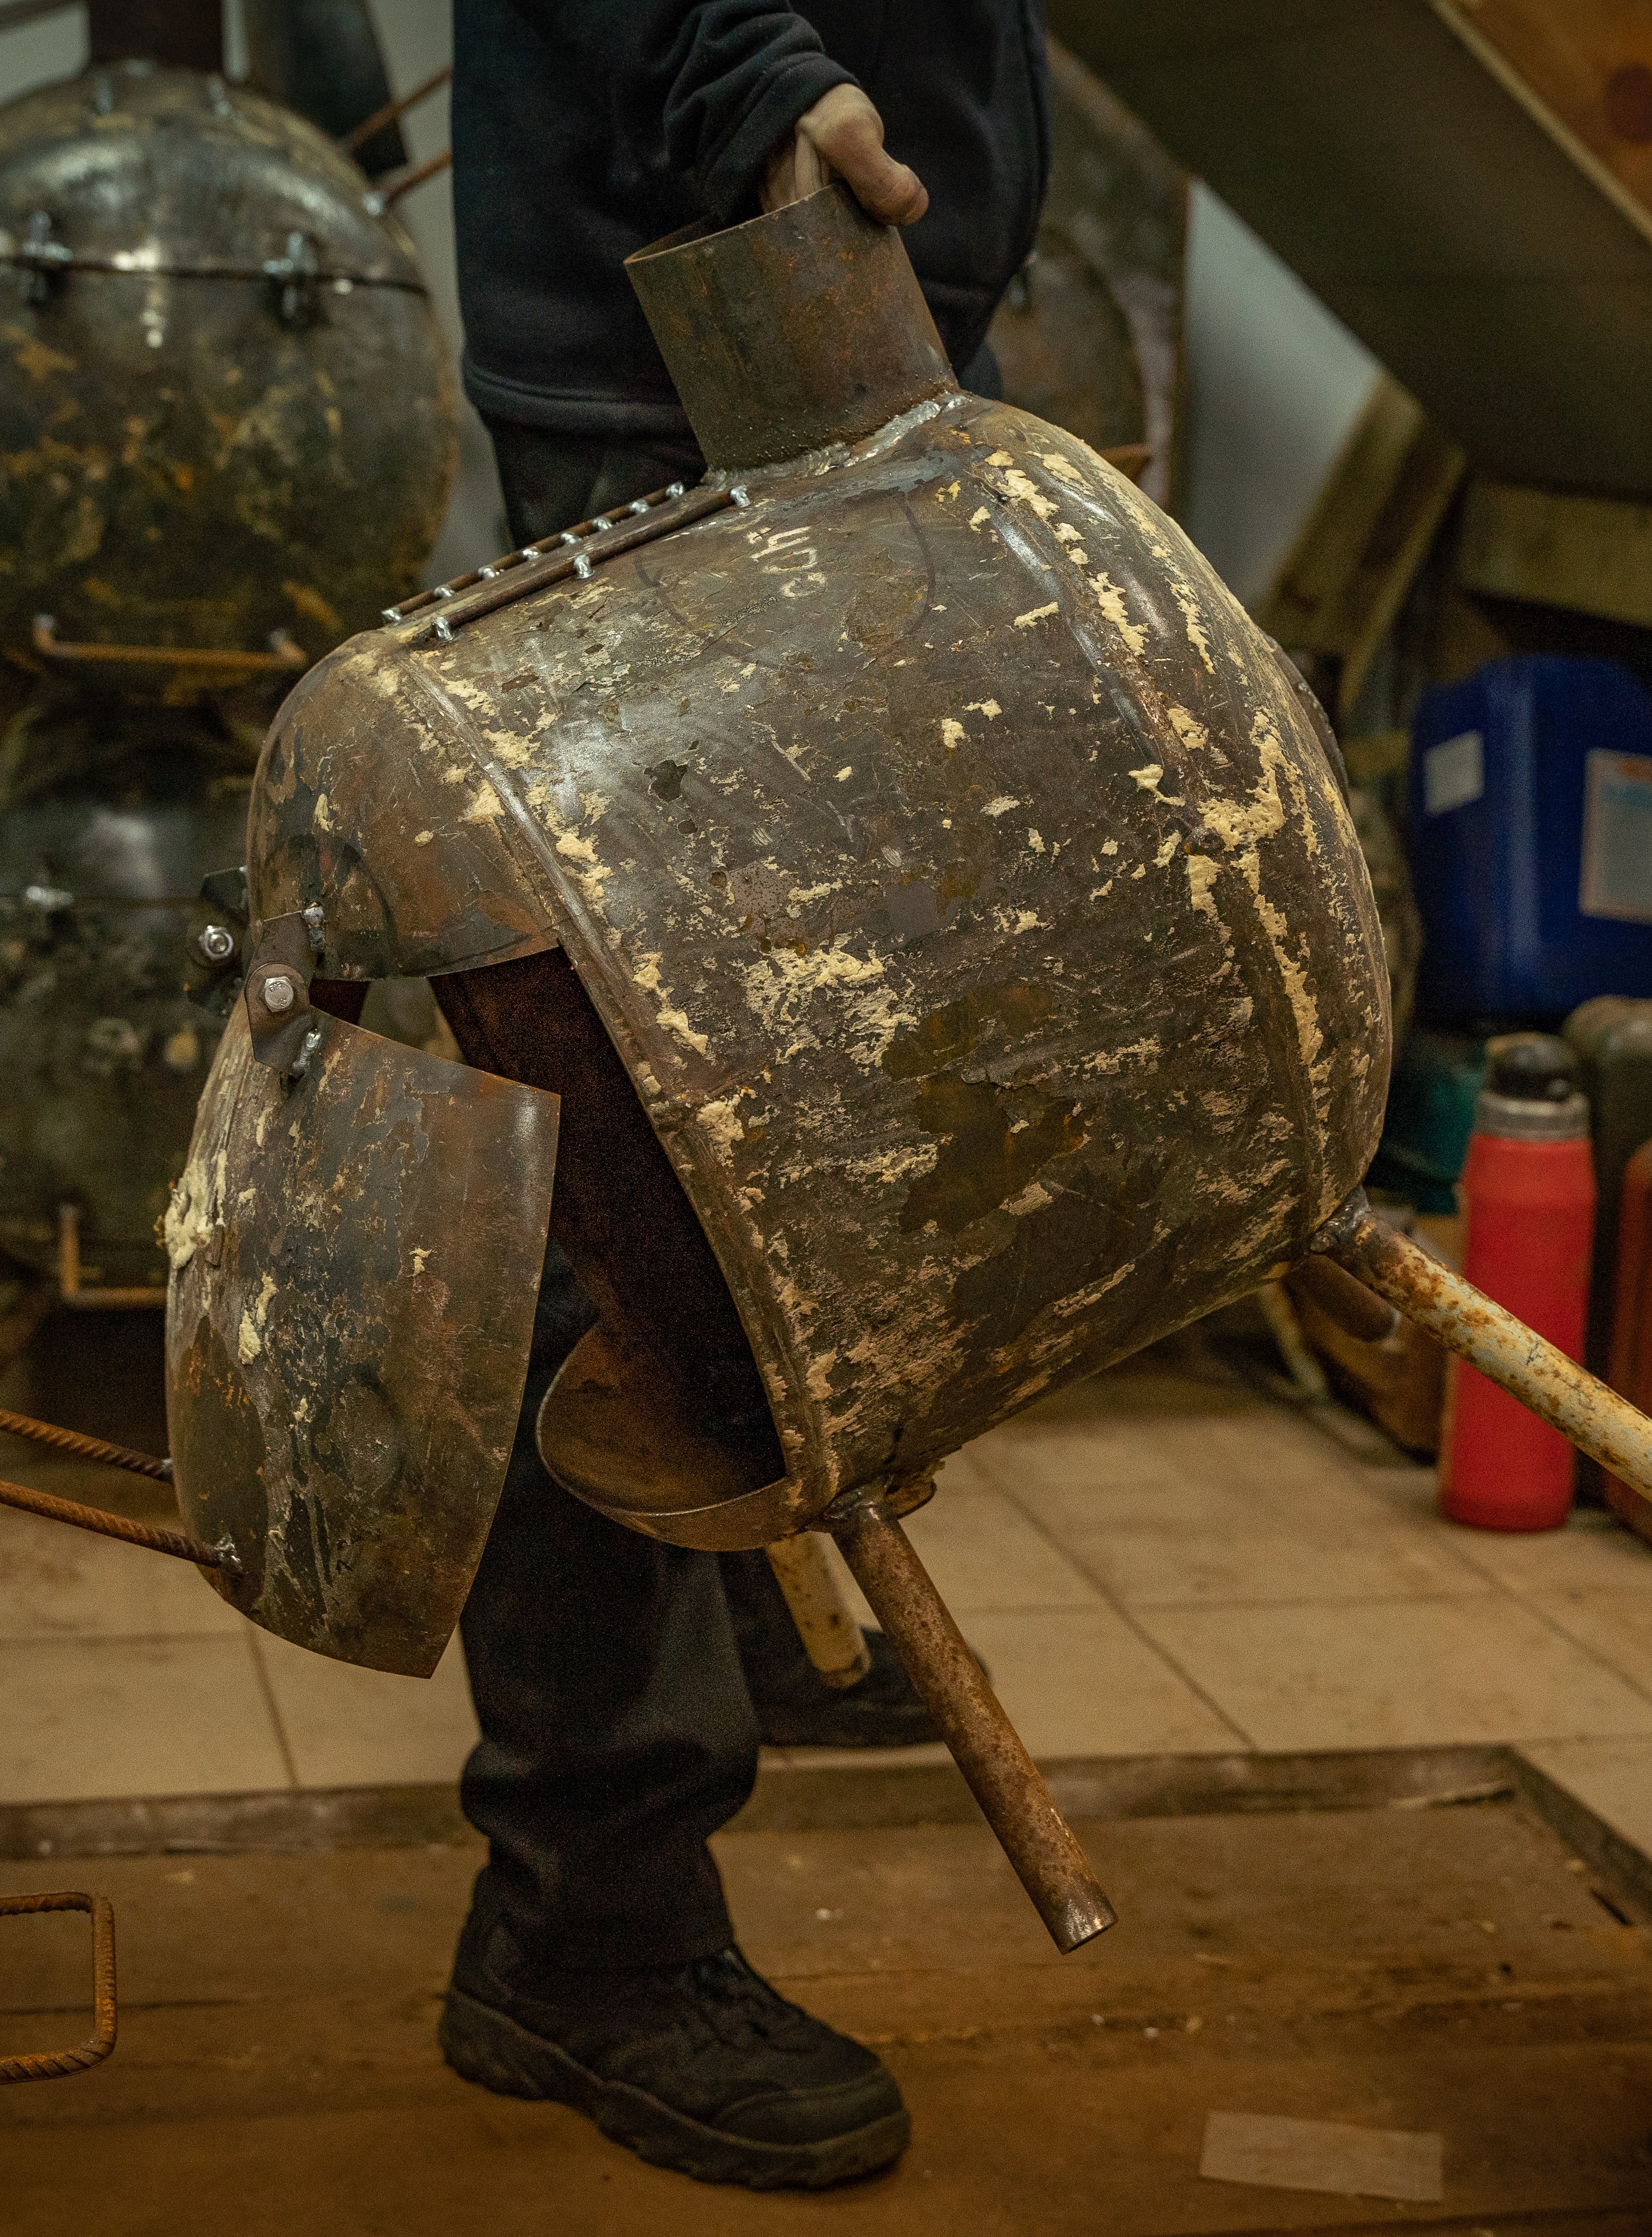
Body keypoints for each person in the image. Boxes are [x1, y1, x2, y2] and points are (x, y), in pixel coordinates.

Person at [433, 0, 1047, 2191]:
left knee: (789, 1094)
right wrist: (753, 86)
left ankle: (725, 1624)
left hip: (829, 317)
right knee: (629, 1171)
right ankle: (586, 1920)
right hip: (703, 320)